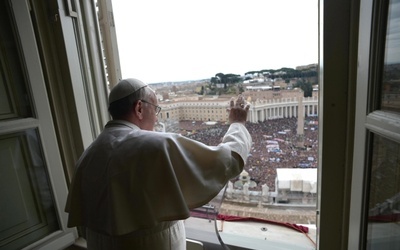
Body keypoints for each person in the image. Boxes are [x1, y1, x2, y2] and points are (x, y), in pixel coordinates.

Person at [65, 78, 252, 250]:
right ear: (139, 108)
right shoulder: (157, 145)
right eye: (155, 109)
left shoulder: (88, 154)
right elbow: (227, 161)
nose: (156, 118)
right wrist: (238, 124)